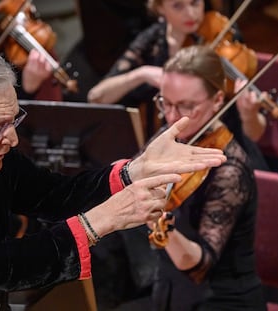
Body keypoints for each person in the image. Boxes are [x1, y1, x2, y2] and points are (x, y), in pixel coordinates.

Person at [0, 49, 226, 311]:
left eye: (14, 121)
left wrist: (134, 170)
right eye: (0, 125)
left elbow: (55, 194)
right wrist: (101, 221)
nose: (12, 138)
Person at [95, 45, 266, 311]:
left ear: (218, 99)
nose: (173, 117)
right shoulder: (171, 135)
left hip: (222, 300)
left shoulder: (230, 169)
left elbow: (199, 265)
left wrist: (160, 225)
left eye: (187, 106)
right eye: (165, 103)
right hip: (170, 293)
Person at [86, 0, 267, 144]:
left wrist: (249, 115)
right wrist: (142, 73)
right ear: (160, 8)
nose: (191, 14)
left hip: (223, 144)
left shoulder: (224, 35)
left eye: (195, 2)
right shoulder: (151, 41)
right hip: (169, 144)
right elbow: (95, 97)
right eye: (177, 5)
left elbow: (255, 135)